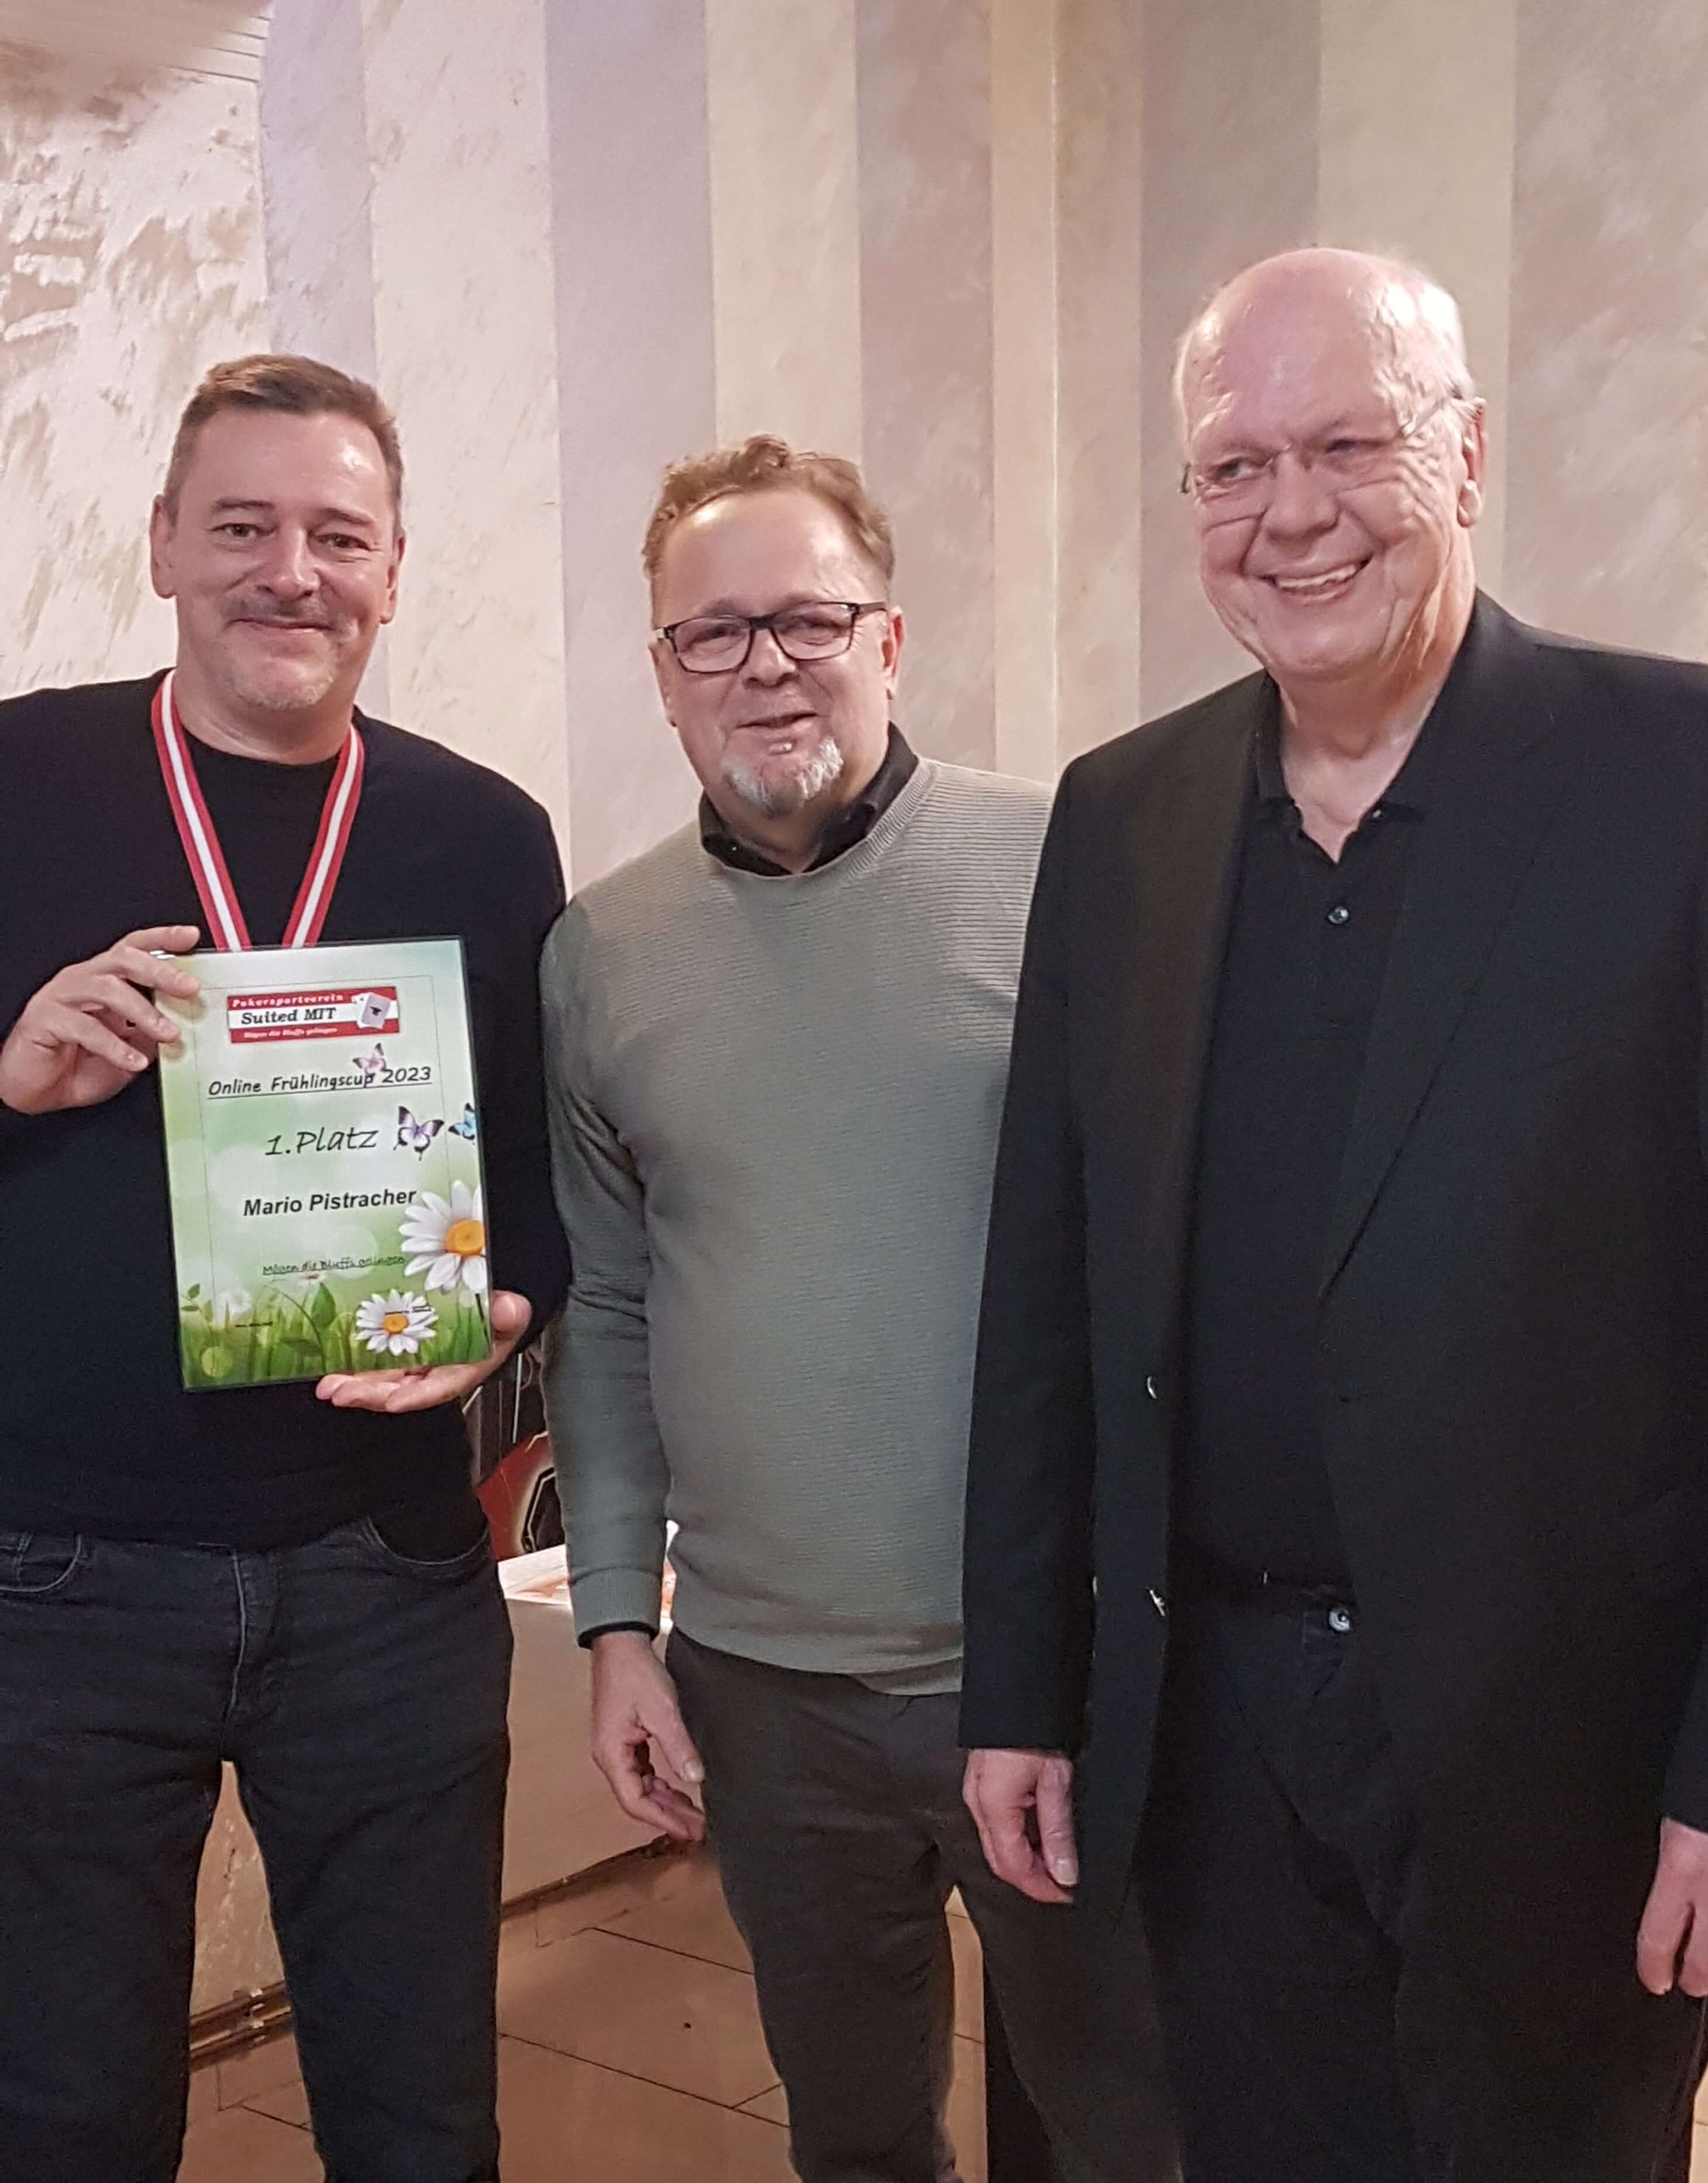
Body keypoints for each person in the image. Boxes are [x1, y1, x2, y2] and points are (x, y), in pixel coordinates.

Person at [960, 247, 1708, 2183]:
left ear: (1470, 458)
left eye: (1351, 446)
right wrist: (1023, 1685)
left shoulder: (1676, 778)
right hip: (1213, 1731)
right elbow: (1046, 1292)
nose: (1290, 511)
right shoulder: (1119, 815)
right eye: (1234, 465)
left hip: (1571, 1753)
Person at [540, 435, 1176, 2183]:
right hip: (764, 1691)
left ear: (889, 639)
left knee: (1128, 2129)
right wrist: (617, 1624)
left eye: (807, 619)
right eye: (713, 633)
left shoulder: (1070, 867)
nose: (764, 666)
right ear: (663, 673)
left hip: (1048, 1661)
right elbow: (609, 1304)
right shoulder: (602, 954)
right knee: (855, 2137)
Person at [0, 355, 569, 2183]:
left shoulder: (486, 835)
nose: (290, 572)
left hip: (384, 1565)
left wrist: (505, 1311)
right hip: (58, 1578)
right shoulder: (17, 777)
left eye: (338, 533)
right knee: (66, 2121)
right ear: (162, 540)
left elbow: (542, 1179)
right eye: (242, 526)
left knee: (421, 2123)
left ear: (396, 566)